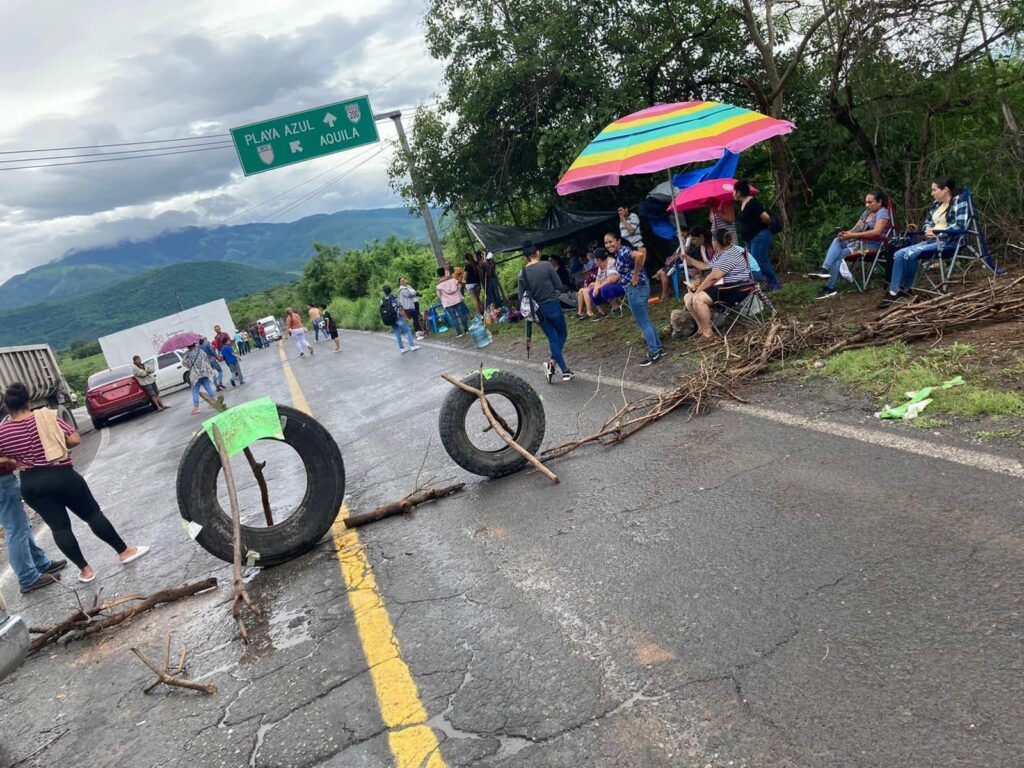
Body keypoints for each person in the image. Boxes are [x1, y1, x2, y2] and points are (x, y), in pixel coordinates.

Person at [0, 383, 148, 584]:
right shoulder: (47, 417)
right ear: (28, 401)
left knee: (60, 529)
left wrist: (12, 460)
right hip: (62, 474)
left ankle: (85, 570)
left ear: (7, 407)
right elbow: (75, 439)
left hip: (31, 483)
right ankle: (124, 551)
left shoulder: (3, 431)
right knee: (93, 515)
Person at [878, 176, 968, 308]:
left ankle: (899, 291)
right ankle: (898, 290)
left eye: (934, 190)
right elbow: (927, 223)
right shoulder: (936, 204)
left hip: (950, 242)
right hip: (932, 241)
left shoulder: (960, 202)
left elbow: (960, 226)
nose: (932, 193)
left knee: (909, 254)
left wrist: (938, 232)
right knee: (898, 254)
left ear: (946, 189)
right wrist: (928, 230)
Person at [812, 190, 892, 300]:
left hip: (873, 246)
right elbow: (855, 229)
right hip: (859, 243)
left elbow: (876, 232)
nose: (867, 205)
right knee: (837, 240)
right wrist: (846, 234)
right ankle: (824, 270)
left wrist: (853, 235)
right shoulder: (866, 213)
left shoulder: (882, 212)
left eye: (870, 202)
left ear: (880, 202)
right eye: (866, 202)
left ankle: (830, 287)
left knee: (839, 255)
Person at [0, 462, 66, 594]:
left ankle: (39, 562)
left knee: (22, 525)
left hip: (5, 479)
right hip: (2, 482)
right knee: (16, 530)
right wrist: (10, 459)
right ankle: (28, 577)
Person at [603, 231, 663, 367]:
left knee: (643, 323)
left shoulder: (624, 251)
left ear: (618, 241)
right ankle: (658, 348)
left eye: (611, 241)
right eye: (606, 243)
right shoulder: (620, 253)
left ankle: (654, 352)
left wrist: (635, 275)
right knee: (646, 320)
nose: (608, 245)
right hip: (638, 287)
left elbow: (640, 255)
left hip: (636, 289)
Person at [682, 229, 753, 341]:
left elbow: (713, 277)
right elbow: (707, 266)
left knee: (698, 299)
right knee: (688, 297)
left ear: (715, 241)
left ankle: (708, 334)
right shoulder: (721, 253)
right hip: (726, 287)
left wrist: (698, 290)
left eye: (712, 240)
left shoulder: (729, 255)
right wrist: (689, 260)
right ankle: (701, 329)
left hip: (736, 289)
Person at [518, 242, 574, 383]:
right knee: (562, 334)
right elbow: (559, 286)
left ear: (525, 257)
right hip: (553, 305)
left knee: (552, 337)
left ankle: (556, 367)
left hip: (537, 310)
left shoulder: (522, 273)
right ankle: (563, 370)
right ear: (537, 252)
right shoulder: (546, 265)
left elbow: (521, 298)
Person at [734, 179, 782, 291]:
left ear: (738, 192)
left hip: (759, 236)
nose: (733, 194)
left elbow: (766, 217)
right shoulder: (743, 203)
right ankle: (771, 283)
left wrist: (761, 227)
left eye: (734, 191)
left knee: (758, 262)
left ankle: (776, 284)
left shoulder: (753, 202)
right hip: (750, 238)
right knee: (763, 261)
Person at [579, 248, 624, 321]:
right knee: (591, 291)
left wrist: (599, 287)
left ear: (598, 259)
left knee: (605, 289)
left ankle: (616, 309)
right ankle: (602, 313)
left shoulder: (611, 262)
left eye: (595, 259)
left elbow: (612, 279)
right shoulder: (601, 266)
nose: (594, 262)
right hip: (609, 285)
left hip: (621, 285)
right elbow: (598, 279)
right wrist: (596, 288)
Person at [381, 285, 421, 353]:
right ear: (390, 290)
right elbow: (400, 308)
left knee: (397, 333)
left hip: (390, 319)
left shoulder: (382, 300)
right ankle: (412, 346)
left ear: (384, 291)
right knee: (407, 330)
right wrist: (405, 317)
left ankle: (402, 349)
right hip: (397, 317)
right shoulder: (394, 297)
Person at [183, 340, 219, 414]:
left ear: (188, 346)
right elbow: (206, 360)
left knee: (195, 390)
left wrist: (190, 366)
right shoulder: (201, 351)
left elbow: (184, 363)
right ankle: (213, 402)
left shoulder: (187, 354)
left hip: (195, 375)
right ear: (194, 344)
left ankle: (196, 407)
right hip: (204, 372)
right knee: (207, 386)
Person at [436, 268, 469, 336]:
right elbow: (459, 287)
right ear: (444, 272)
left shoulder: (438, 285)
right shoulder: (453, 279)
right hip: (457, 299)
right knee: (461, 314)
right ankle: (466, 330)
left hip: (448, 303)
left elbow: (439, 295)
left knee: (453, 317)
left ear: (438, 275)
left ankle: (459, 333)